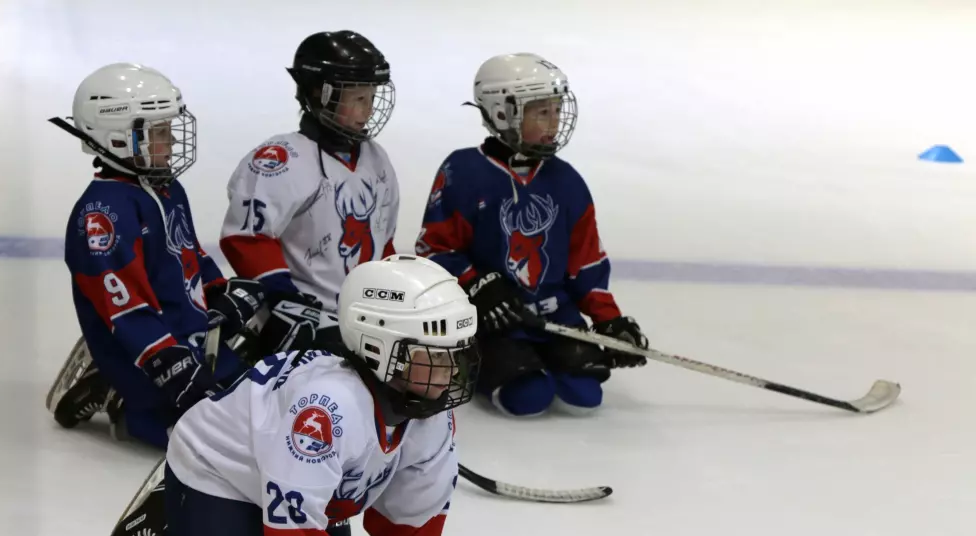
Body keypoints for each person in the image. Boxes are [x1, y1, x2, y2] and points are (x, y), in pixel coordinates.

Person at [105, 255, 479, 536]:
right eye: (434, 356)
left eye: (456, 354)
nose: (451, 372)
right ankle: (169, 533)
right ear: (379, 348)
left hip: (277, 474)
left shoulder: (428, 414)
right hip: (218, 471)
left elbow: (416, 506)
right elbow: (293, 516)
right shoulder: (326, 410)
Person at [415, 53, 649, 418]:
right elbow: (435, 250)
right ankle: (477, 356)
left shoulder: (567, 180)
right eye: (542, 112)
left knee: (585, 395)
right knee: (527, 398)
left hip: (555, 318)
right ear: (502, 112)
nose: (554, 123)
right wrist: (478, 284)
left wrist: (609, 320)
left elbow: (585, 261)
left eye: (557, 110)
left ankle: (541, 357)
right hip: (496, 322)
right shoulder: (463, 171)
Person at [46, 63, 265, 449]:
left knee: (266, 404)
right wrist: (166, 362)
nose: (173, 142)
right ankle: (118, 394)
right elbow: (124, 308)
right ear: (117, 138)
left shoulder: (166, 188)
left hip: (191, 342)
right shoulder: (103, 214)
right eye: (160, 132)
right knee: (217, 445)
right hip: (152, 362)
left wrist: (218, 290)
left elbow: (187, 251)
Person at [219, 30, 400, 361]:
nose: (368, 110)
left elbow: (381, 241)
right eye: (358, 99)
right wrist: (284, 299)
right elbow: (247, 238)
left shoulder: (377, 159)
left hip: (364, 313)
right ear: (321, 94)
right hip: (300, 314)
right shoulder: (281, 159)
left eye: (372, 98)